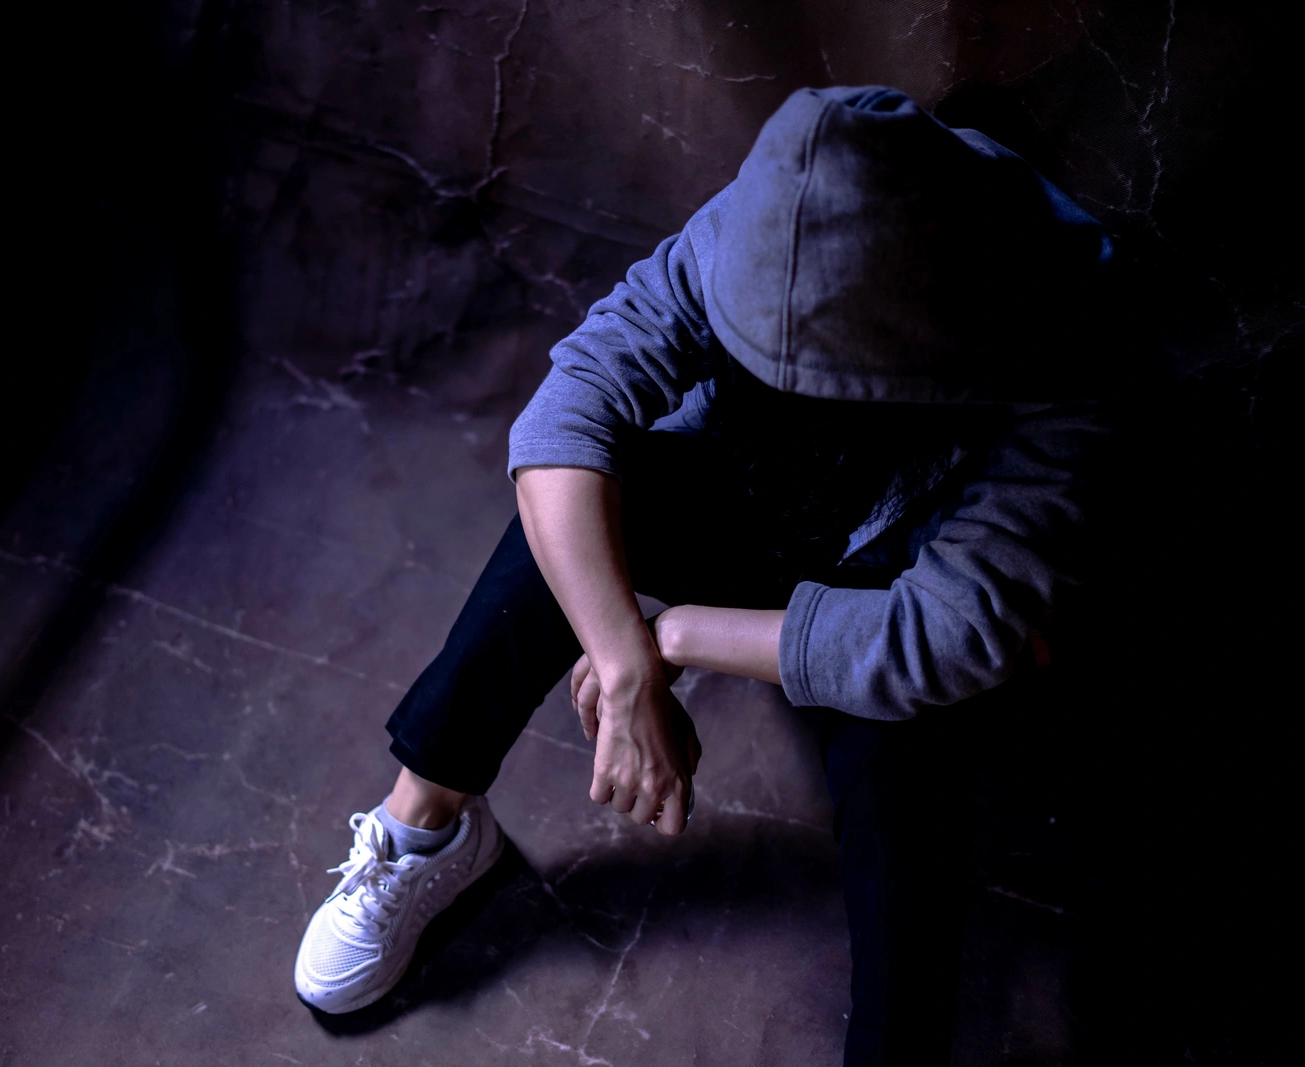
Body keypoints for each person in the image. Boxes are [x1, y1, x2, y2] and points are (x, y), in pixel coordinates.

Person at [292, 85, 1115, 1065]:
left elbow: (944, 634)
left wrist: (675, 633)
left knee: (905, 782)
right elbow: (565, 419)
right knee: (591, 506)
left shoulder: (1065, 317)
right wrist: (623, 659)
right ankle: (426, 825)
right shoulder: (760, 215)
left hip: (890, 590)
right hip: (754, 504)